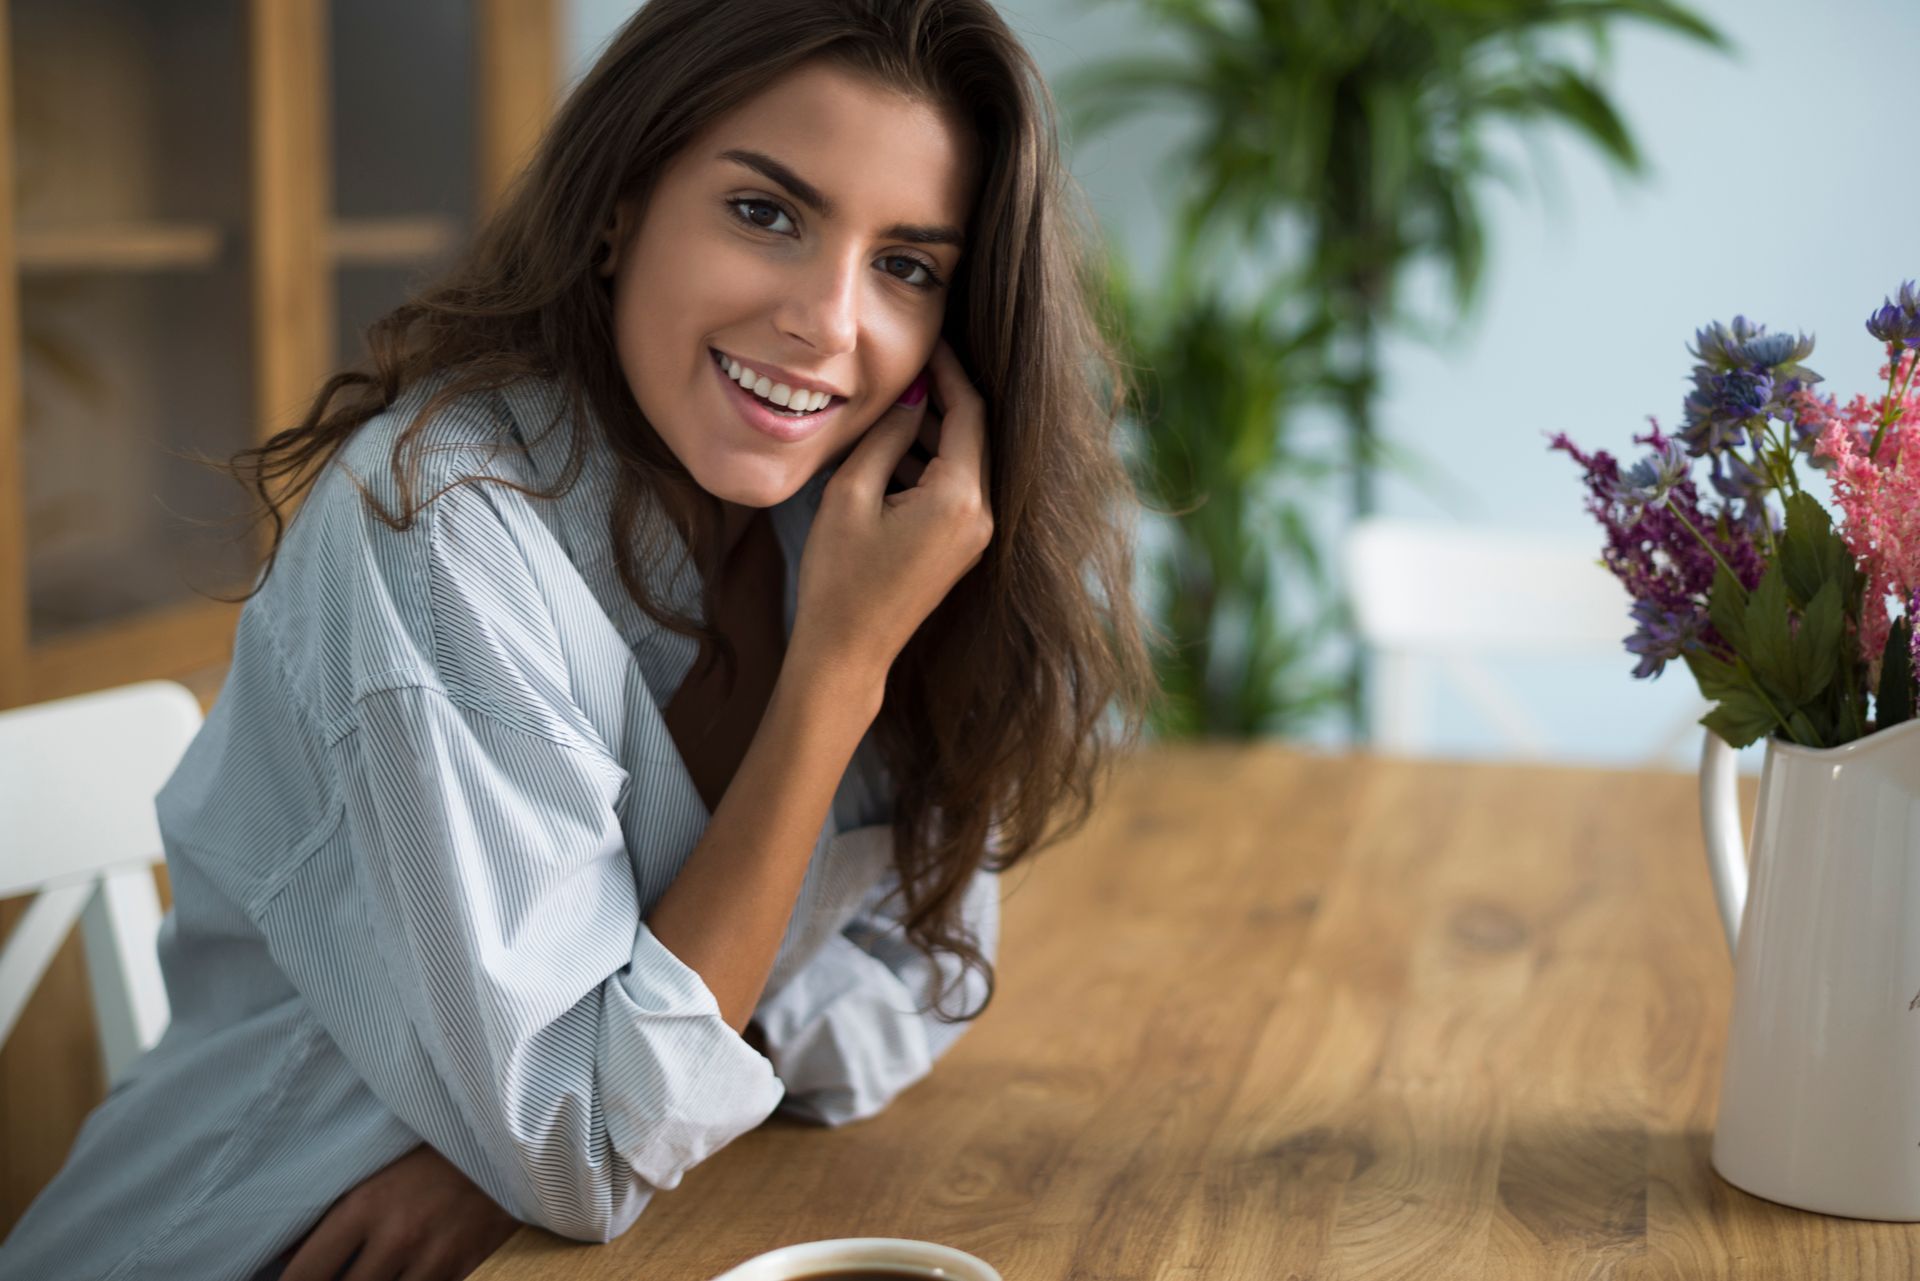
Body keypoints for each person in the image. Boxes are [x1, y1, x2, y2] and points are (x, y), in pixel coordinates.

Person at [0, 0, 1156, 1277]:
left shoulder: (839, 527)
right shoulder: (438, 530)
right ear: (620, 208)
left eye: (908, 266)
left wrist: (558, 1131)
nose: (829, 324)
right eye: (766, 213)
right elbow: (588, 1155)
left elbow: (912, 985)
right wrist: (837, 670)